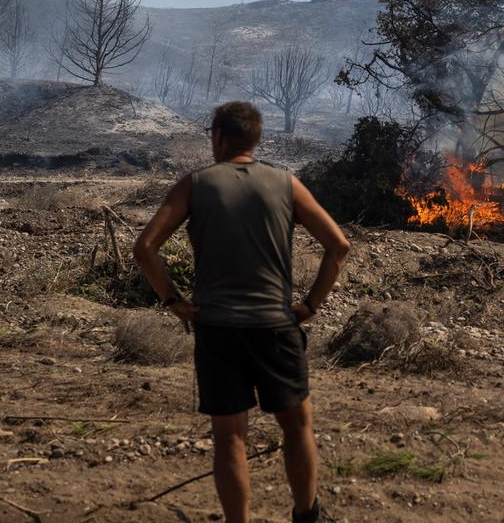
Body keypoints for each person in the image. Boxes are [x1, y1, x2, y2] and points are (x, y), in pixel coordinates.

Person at [134, 101, 350, 523]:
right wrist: (308, 305)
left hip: (217, 329)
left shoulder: (195, 185)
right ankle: (307, 515)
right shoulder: (287, 184)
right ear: (256, 139)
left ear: (217, 136)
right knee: (297, 426)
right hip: (275, 325)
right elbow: (339, 246)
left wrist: (175, 302)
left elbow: (145, 249)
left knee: (229, 436)